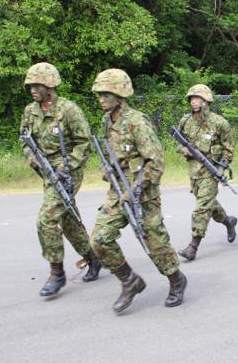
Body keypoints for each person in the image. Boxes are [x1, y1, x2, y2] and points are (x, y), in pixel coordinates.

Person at [89, 69, 186, 312]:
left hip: (142, 192)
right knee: (99, 240)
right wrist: (106, 168)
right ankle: (130, 281)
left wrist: (137, 188)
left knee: (154, 242)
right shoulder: (107, 121)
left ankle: (176, 280)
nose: (101, 99)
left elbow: (156, 162)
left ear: (120, 95)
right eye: (99, 94)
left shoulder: (137, 122)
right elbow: (110, 153)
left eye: (106, 94)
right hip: (117, 191)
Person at [19, 62, 101, 297]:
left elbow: (84, 143)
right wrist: (30, 156)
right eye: (30, 86)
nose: (33, 90)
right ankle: (93, 258)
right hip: (46, 171)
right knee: (68, 221)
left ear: (50, 85)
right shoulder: (30, 111)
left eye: (37, 85)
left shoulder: (68, 110)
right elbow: (24, 138)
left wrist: (66, 165)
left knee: (46, 220)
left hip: (67, 173)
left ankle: (57, 273)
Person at [176, 84, 238, 261]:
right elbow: (178, 142)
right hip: (194, 172)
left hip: (211, 172)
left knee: (201, 208)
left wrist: (221, 168)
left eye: (198, 98)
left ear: (207, 100)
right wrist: (185, 150)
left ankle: (193, 246)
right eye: (192, 98)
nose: (194, 101)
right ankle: (228, 221)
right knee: (208, 204)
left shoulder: (219, 123)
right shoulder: (185, 121)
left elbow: (228, 150)